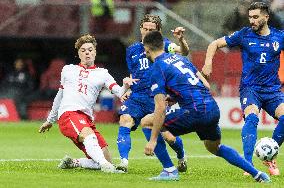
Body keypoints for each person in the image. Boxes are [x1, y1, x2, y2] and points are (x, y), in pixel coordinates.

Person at [142, 30, 271, 183]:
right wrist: (177, 96)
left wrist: (153, 140)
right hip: (211, 109)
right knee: (215, 147)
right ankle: (257, 174)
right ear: (163, 45)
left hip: (194, 111)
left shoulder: (157, 68)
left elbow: (160, 107)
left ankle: (169, 170)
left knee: (147, 122)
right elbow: (205, 84)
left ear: (147, 50)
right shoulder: (180, 59)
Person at [201, 2, 284, 176]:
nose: (252, 21)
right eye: (250, 17)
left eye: (255, 17)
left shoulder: (279, 37)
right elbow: (214, 44)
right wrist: (208, 63)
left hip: (273, 90)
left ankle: (269, 156)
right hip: (250, 89)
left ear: (266, 17)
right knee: (252, 118)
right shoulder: (244, 35)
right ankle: (248, 163)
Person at [38, 34, 137, 173]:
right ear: (79, 53)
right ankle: (107, 167)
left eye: (90, 49)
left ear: (95, 52)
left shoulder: (102, 73)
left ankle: (74, 162)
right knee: (90, 139)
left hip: (87, 119)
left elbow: (119, 92)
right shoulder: (68, 70)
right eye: (83, 50)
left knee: (105, 157)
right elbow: (60, 95)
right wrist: (50, 120)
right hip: (69, 114)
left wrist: (126, 86)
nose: (87, 52)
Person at [116, 14, 190, 173]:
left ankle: (181, 155)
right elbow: (134, 74)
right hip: (137, 98)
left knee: (169, 137)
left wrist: (181, 40)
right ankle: (123, 163)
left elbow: (183, 51)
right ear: (140, 29)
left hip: (157, 98)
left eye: (152, 29)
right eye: (145, 28)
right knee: (125, 120)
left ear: (158, 31)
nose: (148, 32)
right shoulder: (132, 50)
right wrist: (127, 87)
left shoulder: (165, 46)